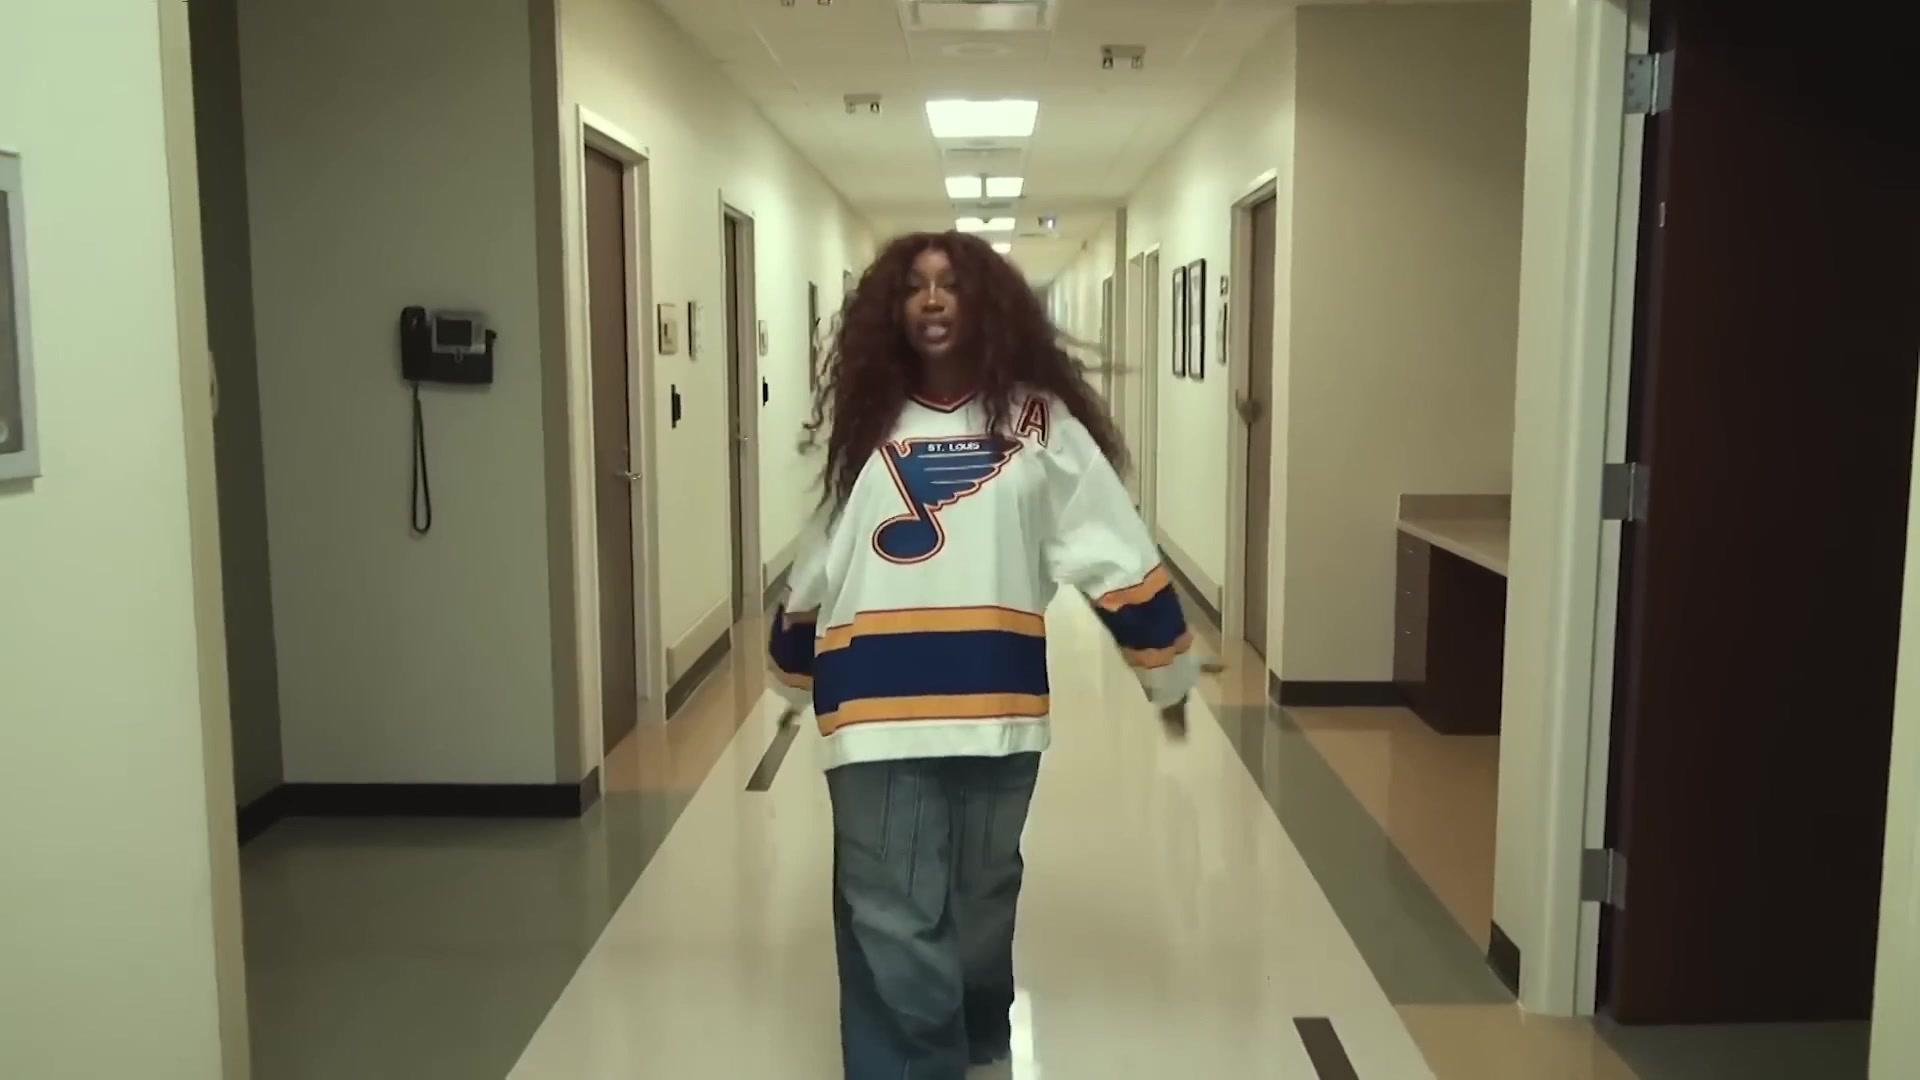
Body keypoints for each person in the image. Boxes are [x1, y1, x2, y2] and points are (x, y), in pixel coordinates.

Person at [768, 231, 1197, 1079]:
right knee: (893, 919)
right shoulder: (864, 422)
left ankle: (977, 1045)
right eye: (914, 286)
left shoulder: (1040, 423)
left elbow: (1110, 544)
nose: (932, 300)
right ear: (891, 309)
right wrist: (791, 668)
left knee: (978, 911)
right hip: (874, 706)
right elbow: (821, 556)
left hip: (998, 707)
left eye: (951, 284)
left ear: (987, 305)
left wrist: (1167, 668)